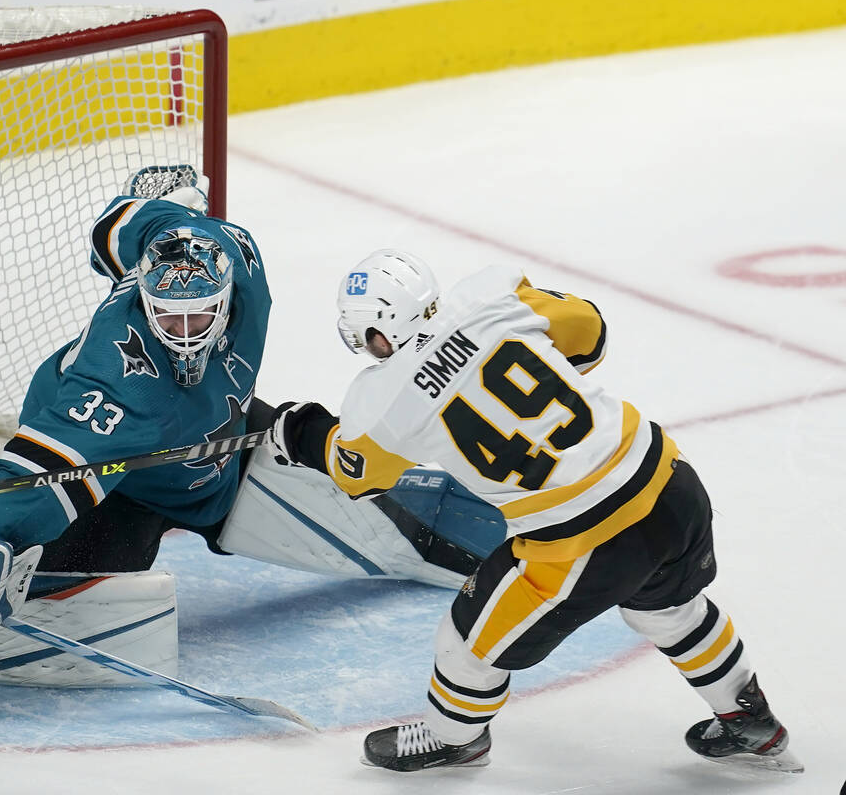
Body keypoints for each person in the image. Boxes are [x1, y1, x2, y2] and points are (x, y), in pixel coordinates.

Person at [0, 173, 506, 685]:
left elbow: (121, 228)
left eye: (199, 316)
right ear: (143, 306)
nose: (185, 333)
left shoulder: (238, 262)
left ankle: (525, 534)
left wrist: (150, 206)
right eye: (168, 318)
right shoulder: (106, 394)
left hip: (222, 448)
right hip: (124, 479)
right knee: (55, 603)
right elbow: (12, 505)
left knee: (393, 521)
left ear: (225, 297)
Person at [268, 250, 802, 774]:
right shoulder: (490, 296)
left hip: (582, 542)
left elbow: (357, 473)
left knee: (464, 646)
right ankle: (749, 718)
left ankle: (456, 739)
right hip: (668, 482)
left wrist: (302, 429)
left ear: (371, 334)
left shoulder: (380, 399)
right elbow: (590, 332)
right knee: (667, 609)